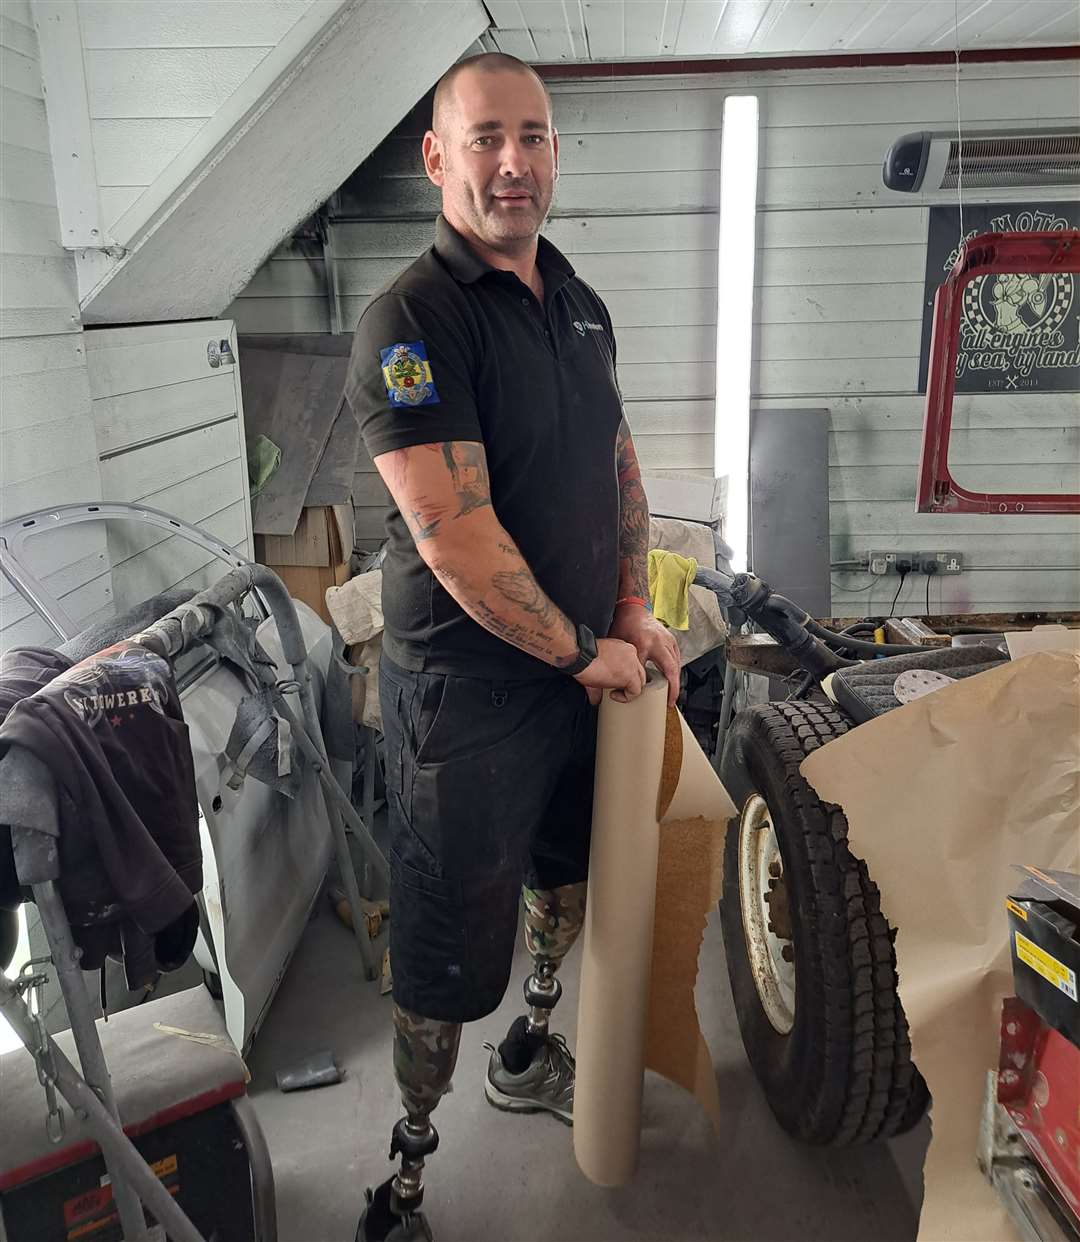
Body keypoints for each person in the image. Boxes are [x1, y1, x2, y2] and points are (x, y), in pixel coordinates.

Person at [345, 51, 681, 1241]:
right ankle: (405, 1176)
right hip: (470, 702)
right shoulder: (410, 320)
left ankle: (530, 1046)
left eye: (533, 137)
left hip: (579, 673)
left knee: (564, 875)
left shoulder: (577, 298)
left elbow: (618, 460)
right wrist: (586, 650)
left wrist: (633, 610)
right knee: (446, 950)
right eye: (485, 138)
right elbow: (455, 535)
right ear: (438, 158)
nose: (513, 162)